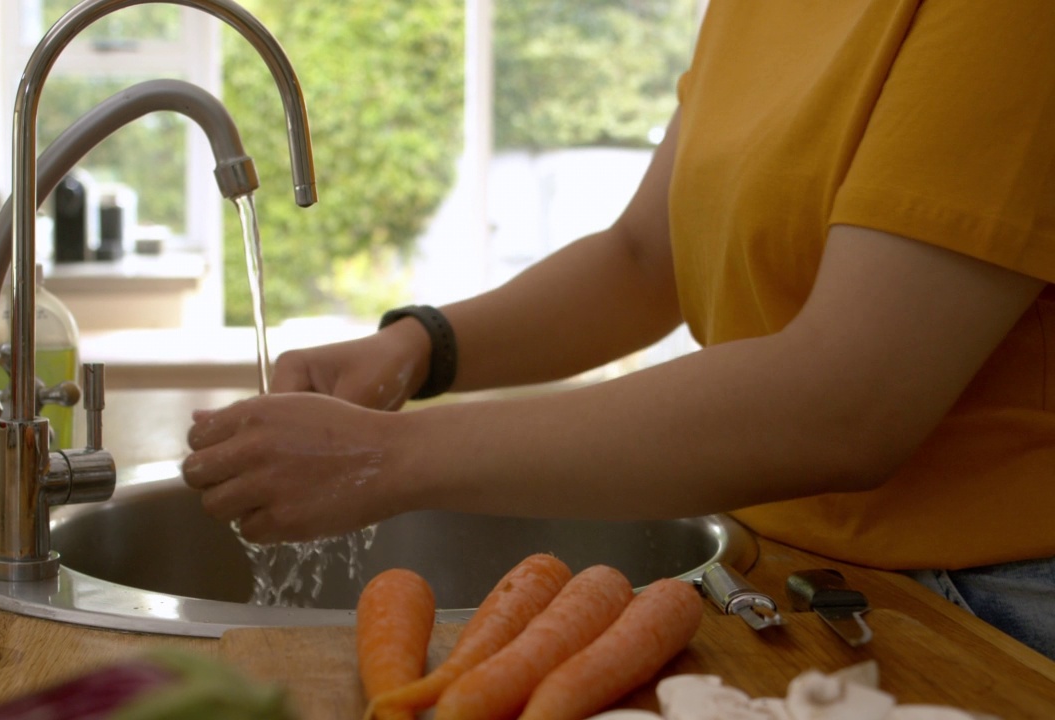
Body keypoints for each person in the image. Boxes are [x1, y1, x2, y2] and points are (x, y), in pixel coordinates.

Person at [182, 1, 1055, 660]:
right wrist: (416, 345)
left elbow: (848, 400)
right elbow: (645, 261)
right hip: (788, 572)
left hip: (984, 611)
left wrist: (387, 457)